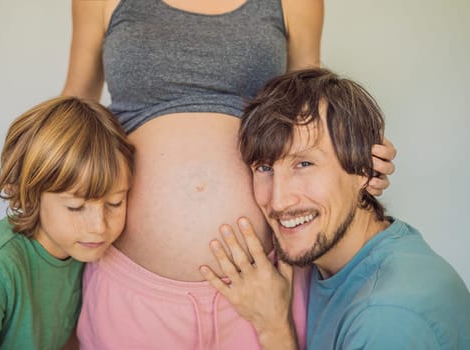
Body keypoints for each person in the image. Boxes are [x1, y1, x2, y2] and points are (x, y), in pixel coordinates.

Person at [62, 1, 395, 348]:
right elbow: (72, 109)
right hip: (134, 285)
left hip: (263, 283)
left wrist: (359, 154)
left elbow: (313, 109)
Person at [200, 67, 470, 350]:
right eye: (265, 168)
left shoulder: (386, 318)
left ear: (365, 169)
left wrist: (274, 328)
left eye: (304, 164)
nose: (278, 201)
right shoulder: (351, 258)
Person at [0, 96, 135, 349]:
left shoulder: (80, 253)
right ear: (31, 196)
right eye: (75, 207)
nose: (99, 226)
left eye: (115, 203)